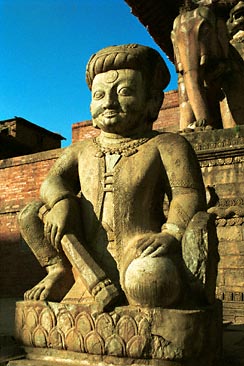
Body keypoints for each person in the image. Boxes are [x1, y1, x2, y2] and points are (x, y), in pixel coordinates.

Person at [19, 44, 207, 310]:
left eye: (125, 92)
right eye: (99, 94)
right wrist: (62, 201)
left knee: (150, 282)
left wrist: (171, 233)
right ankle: (58, 270)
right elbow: (52, 180)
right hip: (81, 251)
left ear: (153, 100)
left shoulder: (167, 145)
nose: (109, 102)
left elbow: (187, 194)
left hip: (139, 248)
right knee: (31, 214)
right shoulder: (81, 150)